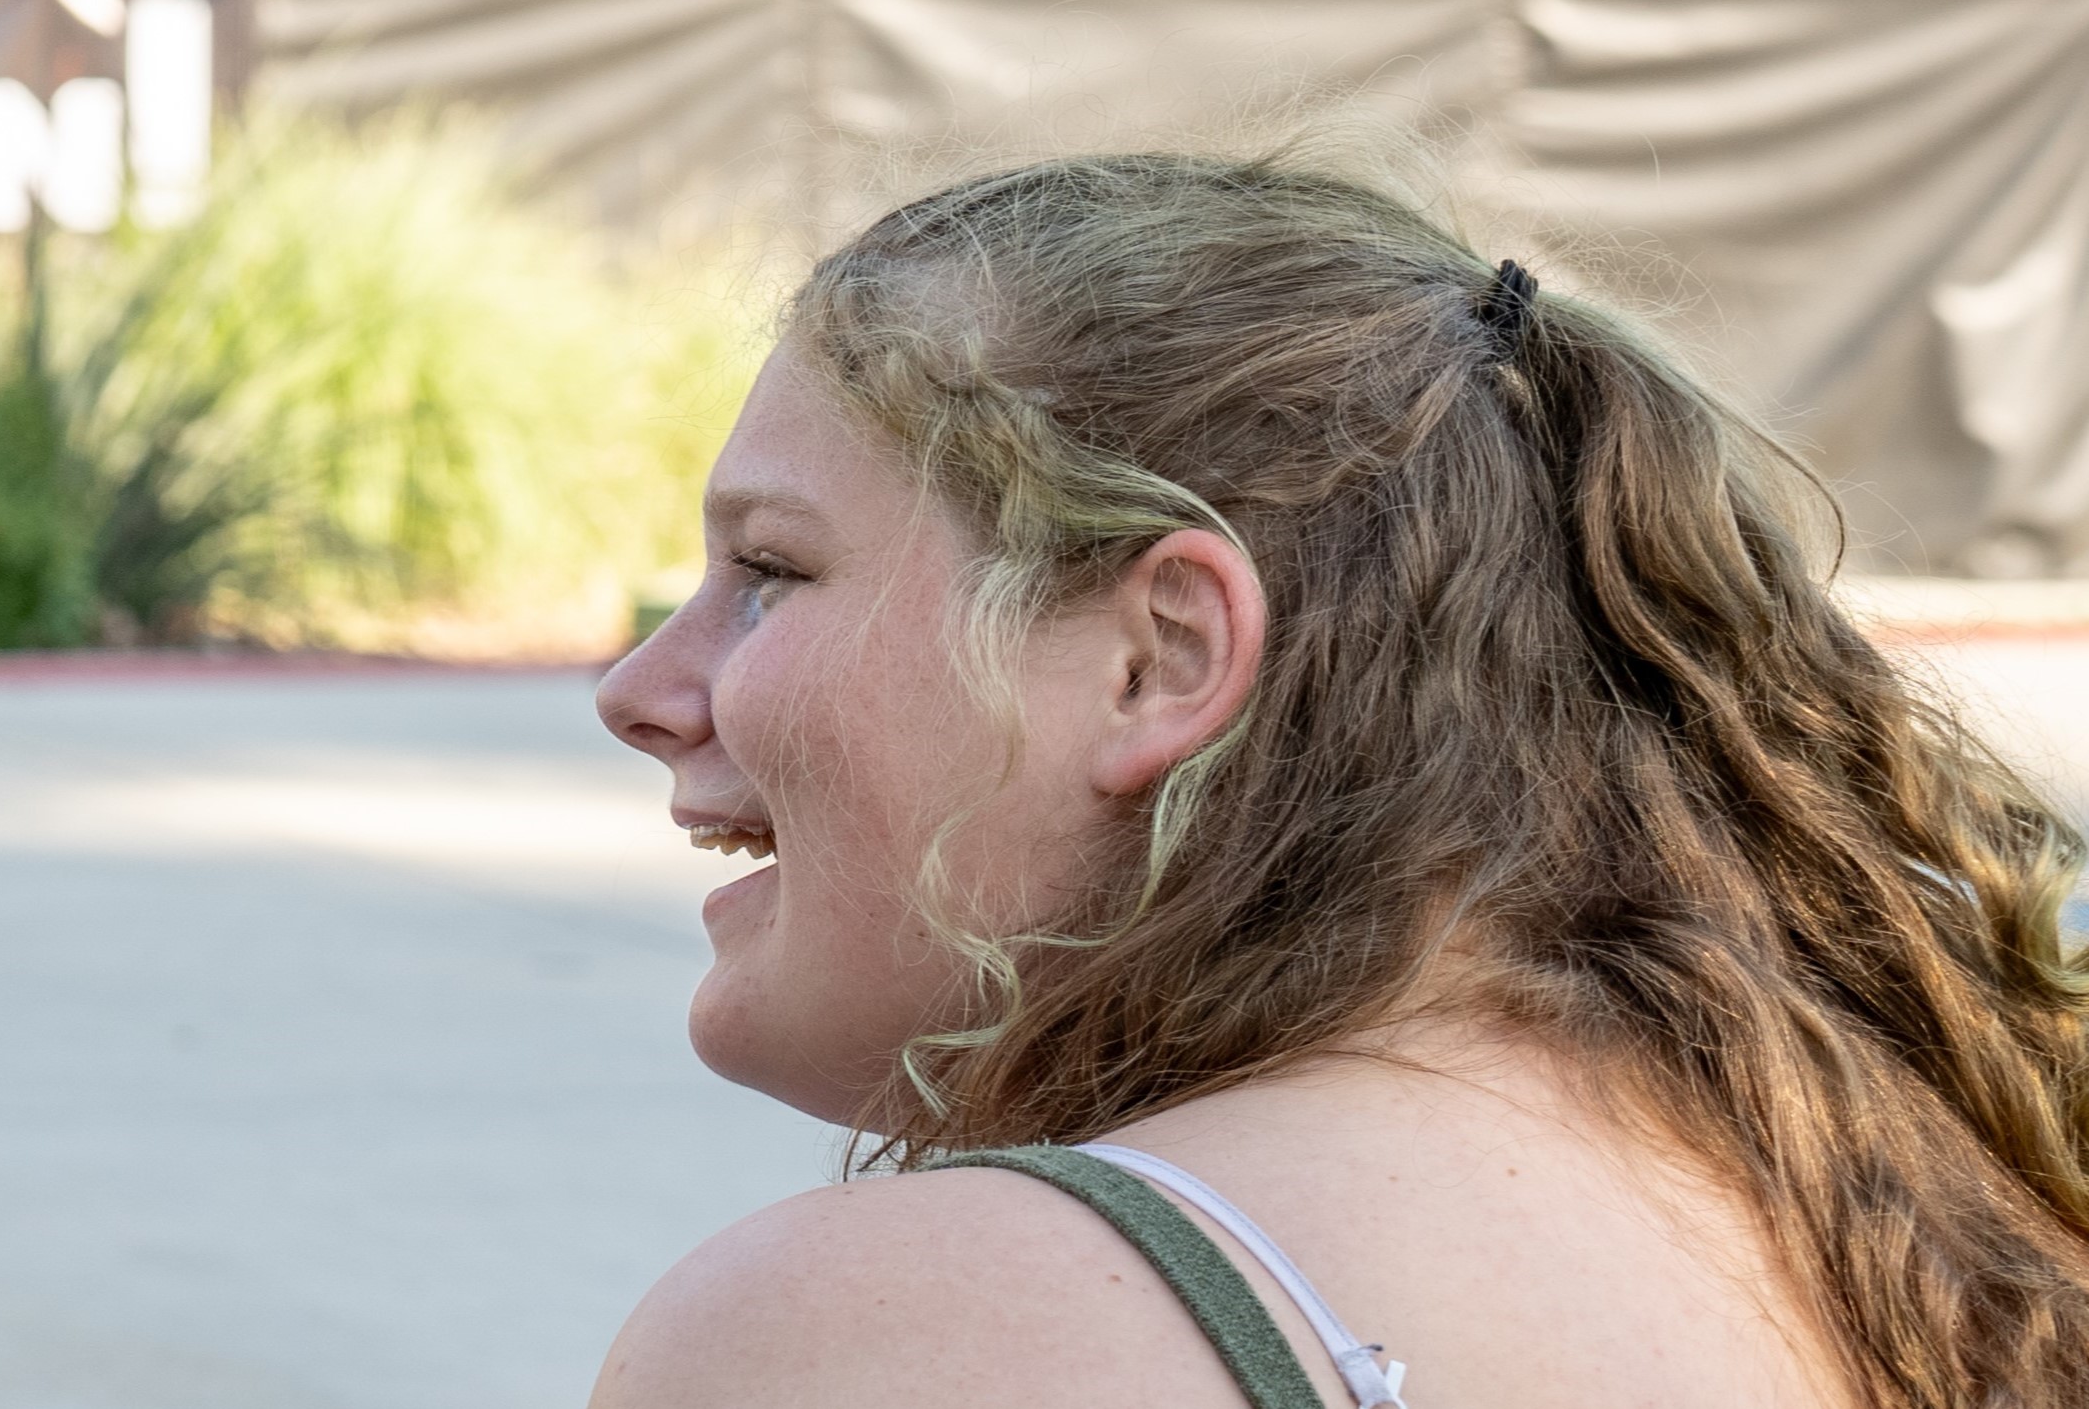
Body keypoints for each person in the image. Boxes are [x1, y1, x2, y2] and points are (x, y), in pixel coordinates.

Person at [589, 151, 2089, 1409]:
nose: (639, 690)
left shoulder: (889, 1333)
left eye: (771, 571)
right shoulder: (1916, 1234)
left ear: (1158, 656)